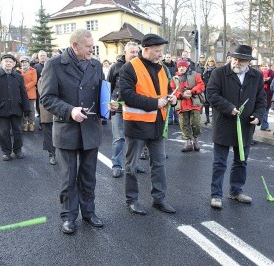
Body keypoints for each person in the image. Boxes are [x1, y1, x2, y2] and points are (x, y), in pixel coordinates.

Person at [40, 29, 105, 234]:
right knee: (68, 178)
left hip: (91, 129)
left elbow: (101, 92)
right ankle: (68, 216)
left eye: (92, 46)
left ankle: (89, 212)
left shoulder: (95, 65)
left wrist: (108, 105)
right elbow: (47, 98)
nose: (91, 49)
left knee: (88, 176)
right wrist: (70, 110)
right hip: (67, 129)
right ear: (74, 45)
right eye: (88, 46)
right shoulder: (54, 64)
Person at [119, 33, 177, 215]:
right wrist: (154, 103)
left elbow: (166, 90)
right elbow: (126, 95)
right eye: (157, 51)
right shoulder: (129, 68)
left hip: (157, 125)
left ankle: (159, 199)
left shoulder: (161, 68)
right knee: (132, 166)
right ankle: (132, 200)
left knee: (159, 164)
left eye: (161, 51)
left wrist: (172, 98)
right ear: (146, 50)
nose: (161, 54)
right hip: (136, 125)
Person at [206, 44, 266, 209]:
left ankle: (236, 191)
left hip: (246, 126)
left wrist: (258, 116)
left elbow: (261, 100)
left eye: (242, 60)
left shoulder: (257, 76)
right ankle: (216, 194)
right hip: (224, 124)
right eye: (235, 58)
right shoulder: (219, 73)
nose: (237, 62)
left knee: (241, 161)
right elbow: (211, 94)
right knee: (220, 162)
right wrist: (228, 107)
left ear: (249, 62)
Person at [108, 41, 146, 178]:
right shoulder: (115, 67)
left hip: (135, 109)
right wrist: (109, 105)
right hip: (119, 109)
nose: (135, 55)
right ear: (125, 53)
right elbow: (108, 87)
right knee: (119, 139)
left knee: (135, 139)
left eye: (137, 52)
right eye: (132, 52)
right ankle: (116, 165)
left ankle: (133, 164)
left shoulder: (141, 67)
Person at [0, 54, 30, 161]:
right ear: (2, 63)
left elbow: (23, 93)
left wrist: (26, 108)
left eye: (10, 62)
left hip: (16, 108)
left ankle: (18, 150)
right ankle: (6, 152)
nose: (8, 63)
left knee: (18, 131)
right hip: (2, 109)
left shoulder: (19, 76)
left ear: (14, 64)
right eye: (6, 61)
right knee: (4, 132)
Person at [171, 58, 205, 152]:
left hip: (194, 103)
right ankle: (188, 142)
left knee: (196, 123)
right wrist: (181, 95)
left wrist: (191, 91)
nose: (181, 68)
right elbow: (172, 91)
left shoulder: (196, 75)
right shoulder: (174, 78)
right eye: (179, 67)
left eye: (183, 66)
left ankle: (195, 140)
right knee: (183, 124)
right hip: (181, 105)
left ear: (187, 67)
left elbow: (201, 85)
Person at [37, 77, 56, 165]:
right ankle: (52, 154)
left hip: (61, 111)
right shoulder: (42, 79)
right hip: (47, 110)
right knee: (49, 134)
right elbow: (44, 94)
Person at [20, 56, 38, 132]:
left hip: (30, 92)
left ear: (28, 63)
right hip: (21, 93)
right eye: (23, 62)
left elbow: (34, 81)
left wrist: (25, 88)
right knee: (23, 109)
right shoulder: (19, 71)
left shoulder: (33, 70)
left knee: (31, 109)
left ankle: (31, 123)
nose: (24, 64)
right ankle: (24, 123)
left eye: (25, 62)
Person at [162, 53, 178, 125]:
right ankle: (170, 118)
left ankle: (177, 118)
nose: (168, 58)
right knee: (169, 101)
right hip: (166, 85)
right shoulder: (163, 66)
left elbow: (177, 74)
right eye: (167, 57)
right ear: (165, 58)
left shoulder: (175, 66)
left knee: (175, 101)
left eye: (169, 57)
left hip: (174, 85)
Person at [259, 62, 274, 131]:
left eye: (266, 66)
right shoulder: (258, 74)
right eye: (263, 66)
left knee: (266, 110)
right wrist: (262, 80)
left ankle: (264, 126)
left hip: (268, 95)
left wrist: (268, 80)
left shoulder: (272, 73)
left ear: (268, 66)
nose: (264, 67)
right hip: (259, 95)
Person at [34, 50, 48, 130]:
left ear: (46, 56)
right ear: (38, 57)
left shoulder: (50, 65)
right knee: (39, 107)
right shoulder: (36, 67)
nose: (43, 57)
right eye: (41, 55)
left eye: (44, 55)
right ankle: (41, 122)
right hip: (39, 89)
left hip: (49, 88)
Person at [202, 56, 217, 125]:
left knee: (213, 105)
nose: (210, 63)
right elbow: (202, 79)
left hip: (214, 89)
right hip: (205, 89)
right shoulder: (204, 70)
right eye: (209, 61)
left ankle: (214, 120)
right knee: (206, 104)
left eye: (212, 61)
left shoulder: (216, 70)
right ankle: (207, 119)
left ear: (214, 62)